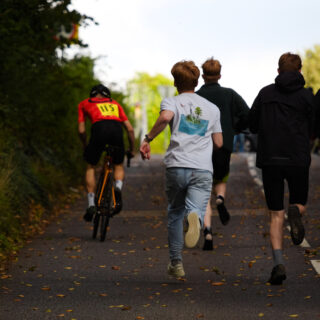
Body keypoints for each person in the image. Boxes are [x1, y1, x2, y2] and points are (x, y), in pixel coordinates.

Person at [140, 61, 223, 278]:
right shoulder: (212, 108)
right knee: (194, 207)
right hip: (202, 168)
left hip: (176, 165)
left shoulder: (172, 101)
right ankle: (194, 214)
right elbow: (219, 143)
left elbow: (166, 117)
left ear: (176, 82)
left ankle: (176, 263)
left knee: (174, 212)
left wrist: (148, 138)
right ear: (197, 81)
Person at [249, 52, 315, 285]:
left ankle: (278, 263)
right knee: (298, 203)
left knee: (275, 214)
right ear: (299, 71)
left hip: (271, 160)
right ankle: (296, 211)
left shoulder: (265, 93)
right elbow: (315, 126)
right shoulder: (307, 97)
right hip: (297, 158)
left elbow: (252, 123)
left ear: (278, 71)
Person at [196, 58, 249, 250]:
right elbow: (247, 114)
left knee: (202, 191)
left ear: (203, 76)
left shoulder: (196, 96)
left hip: (201, 147)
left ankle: (208, 232)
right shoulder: (230, 94)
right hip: (223, 145)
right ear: (220, 75)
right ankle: (220, 198)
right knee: (220, 180)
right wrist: (234, 128)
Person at [78, 84, 135, 222]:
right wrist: (132, 149)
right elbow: (130, 129)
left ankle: (91, 203)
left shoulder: (84, 103)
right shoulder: (115, 104)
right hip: (116, 130)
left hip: (98, 129)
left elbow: (81, 130)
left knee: (91, 166)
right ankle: (118, 188)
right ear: (107, 96)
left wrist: (86, 145)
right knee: (118, 165)